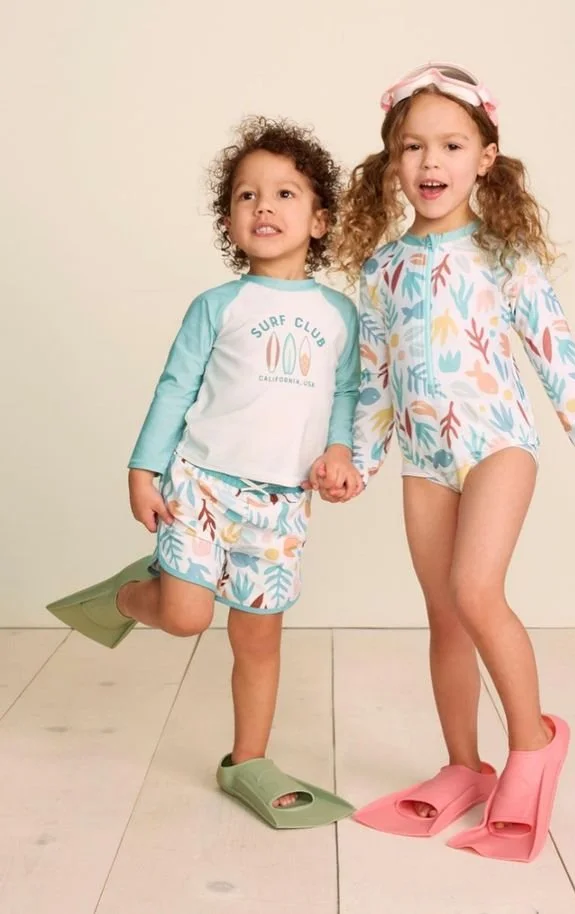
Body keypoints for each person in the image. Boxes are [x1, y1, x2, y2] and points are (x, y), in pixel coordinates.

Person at [312, 62, 575, 861]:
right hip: (424, 461)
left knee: (474, 588)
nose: (431, 163)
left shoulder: (503, 255)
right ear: (391, 162)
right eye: (412, 147)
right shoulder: (381, 270)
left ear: (484, 157)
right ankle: (463, 765)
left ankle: (532, 742)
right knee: (444, 617)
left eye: (450, 145)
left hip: (497, 445)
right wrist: (356, 458)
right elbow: (379, 381)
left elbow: (553, 353)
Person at [47, 116, 362, 829]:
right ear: (230, 219)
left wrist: (339, 453)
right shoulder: (218, 307)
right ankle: (132, 596)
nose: (265, 207)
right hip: (201, 485)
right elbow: (174, 388)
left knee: (258, 636)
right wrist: (142, 469)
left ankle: (246, 759)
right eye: (247, 195)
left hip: (281, 503)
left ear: (318, 220)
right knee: (187, 618)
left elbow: (343, 397)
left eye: (285, 193)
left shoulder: (338, 315)